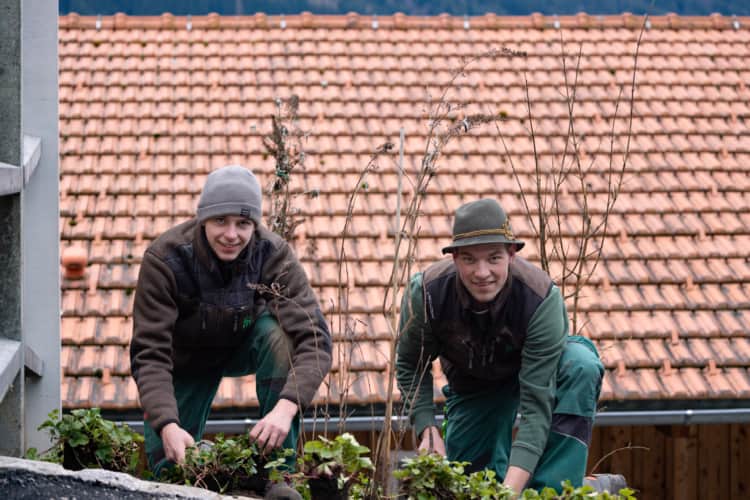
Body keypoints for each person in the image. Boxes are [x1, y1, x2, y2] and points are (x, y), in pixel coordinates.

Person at [130, 165, 332, 478]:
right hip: (186, 359)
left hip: (243, 343)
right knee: (170, 468)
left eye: (243, 223)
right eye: (220, 220)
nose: (231, 234)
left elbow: (315, 339)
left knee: (279, 336)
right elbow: (149, 353)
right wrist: (167, 424)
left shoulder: (273, 254)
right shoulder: (165, 260)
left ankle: (280, 474)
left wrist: (286, 407)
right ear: (202, 218)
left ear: (255, 225)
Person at [396, 198, 605, 494]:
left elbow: (536, 408)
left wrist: (509, 494)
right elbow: (409, 365)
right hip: (475, 387)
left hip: (538, 376)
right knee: (470, 485)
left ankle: (555, 489)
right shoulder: (428, 295)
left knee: (580, 365)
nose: (482, 273)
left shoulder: (539, 298)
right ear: (454, 258)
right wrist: (427, 429)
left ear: (511, 254)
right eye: (469, 259)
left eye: (493, 258)